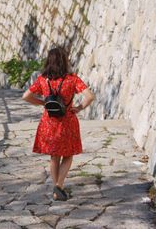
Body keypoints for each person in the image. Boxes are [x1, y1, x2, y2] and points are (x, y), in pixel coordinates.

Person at [22, 46, 95, 201]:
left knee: (54, 157)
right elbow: (89, 96)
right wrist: (79, 108)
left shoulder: (42, 79)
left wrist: (42, 103)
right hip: (67, 122)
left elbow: (26, 96)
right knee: (68, 155)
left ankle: (57, 188)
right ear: (64, 61)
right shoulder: (72, 79)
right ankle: (59, 186)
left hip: (48, 123)